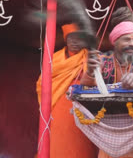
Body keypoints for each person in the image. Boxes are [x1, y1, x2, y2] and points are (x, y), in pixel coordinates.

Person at [81, 7, 133, 158]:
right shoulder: (102, 60)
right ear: (115, 41)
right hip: (107, 130)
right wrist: (91, 72)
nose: (132, 44)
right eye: (126, 39)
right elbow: (84, 86)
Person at [36, 23, 97, 158]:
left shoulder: (91, 58)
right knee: (58, 145)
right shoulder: (54, 59)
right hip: (58, 108)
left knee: (82, 147)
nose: (74, 42)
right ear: (65, 40)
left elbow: (98, 84)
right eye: (71, 38)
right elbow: (41, 83)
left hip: (83, 109)